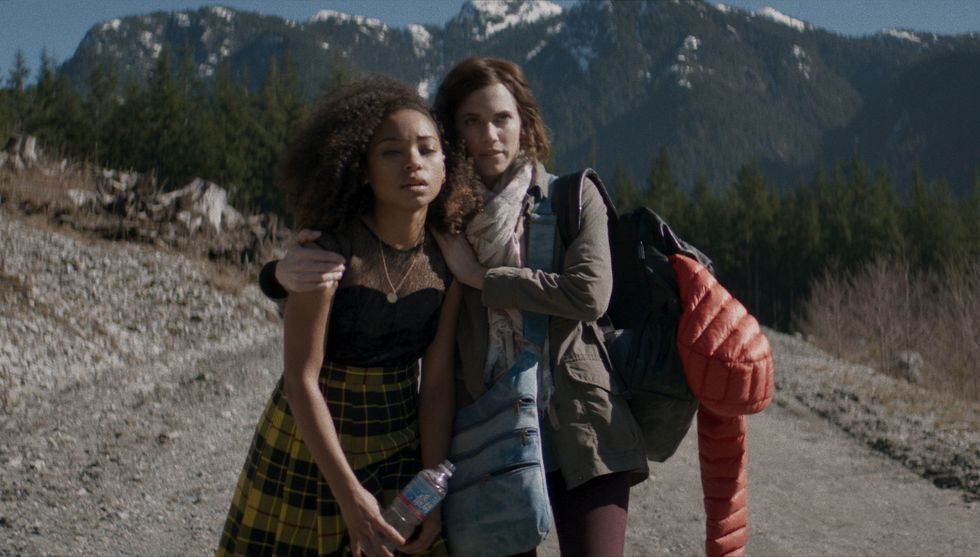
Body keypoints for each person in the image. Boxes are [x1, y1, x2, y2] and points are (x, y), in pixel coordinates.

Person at [262, 58, 649, 557]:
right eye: (472, 121)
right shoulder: (444, 216)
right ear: (453, 135)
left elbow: (590, 295)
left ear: (525, 122)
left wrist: (482, 278)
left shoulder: (571, 196)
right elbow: (373, 253)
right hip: (487, 425)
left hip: (578, 419)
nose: (489, 135)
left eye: (502, 118)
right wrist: (277, 273)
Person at [219, 76, 480, 557]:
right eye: (391, 152)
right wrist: (348, 494)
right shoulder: (327, 253)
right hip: (311, 446)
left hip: (397, 445)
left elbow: (437, 383)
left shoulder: (448, 261)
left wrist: (432, 492)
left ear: (446, 165)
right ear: (361, 170)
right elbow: (301, 378)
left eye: (427, 149)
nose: (413, 162)